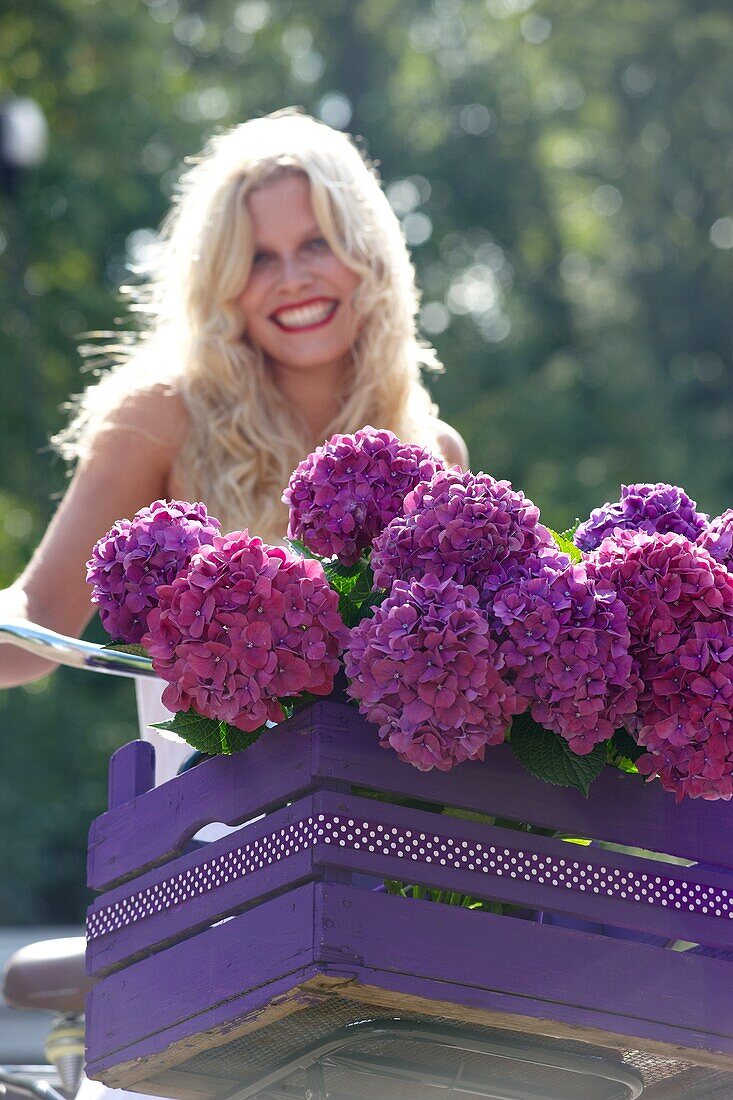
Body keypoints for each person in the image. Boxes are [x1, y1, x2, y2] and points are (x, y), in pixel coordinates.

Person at [0, 106, 468, 784]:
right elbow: (37, 617)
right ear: (220, 281)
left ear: (369, 254)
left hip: (386, 841)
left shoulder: (435, 450)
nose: (292, 278)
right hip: (208, 841)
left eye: (317, 244)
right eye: (256, 258)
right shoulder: (161, 417)